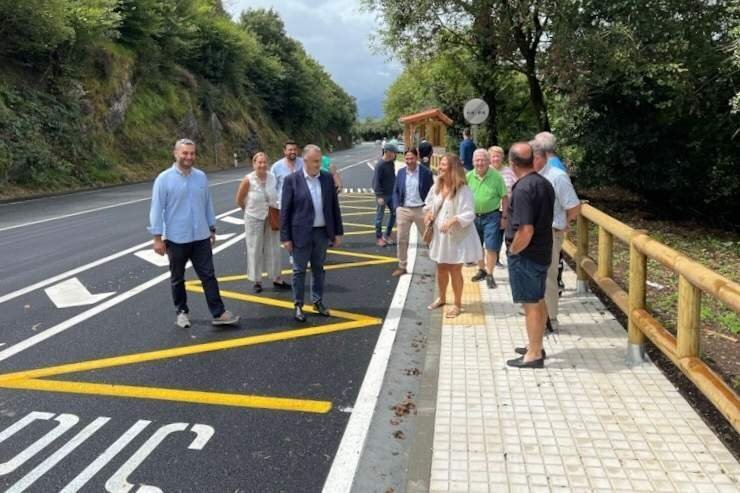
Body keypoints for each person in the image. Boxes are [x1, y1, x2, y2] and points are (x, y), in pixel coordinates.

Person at [148, 138, 240, 328]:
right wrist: (157, 238)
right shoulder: (163, 179)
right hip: (176, 238)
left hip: (200, 236)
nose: (189, 157)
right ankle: (182, 312)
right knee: (177, 278)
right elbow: (156, 209)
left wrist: (211, 227)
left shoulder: (201, 177)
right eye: (185, 153)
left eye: (192, 153)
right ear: (176, 154)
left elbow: (207, 203)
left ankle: (219, 313)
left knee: (208, 276)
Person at [504, 142, 555, 369]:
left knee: (531, 304)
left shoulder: (523, 189)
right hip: (542, 251)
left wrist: (513, 250)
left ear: (512, 164)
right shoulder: (544, 183)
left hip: (526, 255)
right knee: (539, 299)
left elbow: (525, 230)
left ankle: (534, 354)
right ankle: (536, 345)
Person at [280, 144, 344, 323]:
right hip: (300, 234)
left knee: (318, 269)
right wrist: (285, 237)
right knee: (299, 271)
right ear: (305, 161)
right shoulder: (292, 180)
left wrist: (338, 232)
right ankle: (298, 305)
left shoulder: (327, 178)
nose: (318, 164)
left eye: (319, 161)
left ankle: (317, 301)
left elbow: (334, 207)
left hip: (322, 233)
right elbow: (285, 211)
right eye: (315, 161)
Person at [424, 154, 483, 318]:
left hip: (458, 237)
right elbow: (429, 204)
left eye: (444, 164)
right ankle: (442, 298)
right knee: (441, 268)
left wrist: (453, 219)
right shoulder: (437, 185)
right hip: (440, 237)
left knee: (455, 270)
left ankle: (457, 304)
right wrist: (428, 214)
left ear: (453, 169)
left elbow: (469, 213)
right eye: (440, 164)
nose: (440, 167)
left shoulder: (463, 189)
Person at [531, 139, 581, 333]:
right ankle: (536, 314)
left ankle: (550, 319)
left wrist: (564, 222)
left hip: (550, 232)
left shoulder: (557, 176)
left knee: (548, 276)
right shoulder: (531, 174)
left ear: (539, 157)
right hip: (531, 231)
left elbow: (573, 206)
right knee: (533, 275)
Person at [235, 152, 291, 294]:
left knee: (274, 248)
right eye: (259, 162)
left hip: (271, 216)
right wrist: (249, 210)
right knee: (255, 249)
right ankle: (257, 281)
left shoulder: (272, 178)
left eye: (264, 162)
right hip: (254, 217)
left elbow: (275, 195)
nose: (262, 165)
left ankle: (277, 278)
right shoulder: (248, 180)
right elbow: (239, 200)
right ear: (254, 164)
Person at [467, 149, 508, 289]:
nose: (480, 163)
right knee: (477, 245)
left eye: (483, 160)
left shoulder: (496, 177)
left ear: (488, 161)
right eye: (477, 160)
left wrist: (504, 217)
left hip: (492, 216)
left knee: (491, 246)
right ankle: (481, 270)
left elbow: (505, 198)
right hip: (473, 217)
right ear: (473, 162)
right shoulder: (468, 176)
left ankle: (490, 274)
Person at [391, 148, 434, 277]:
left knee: (430, 238)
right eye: (407, 158)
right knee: (401, 239)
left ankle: (439, 264)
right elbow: (396, 191)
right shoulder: (401, 172)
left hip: (421, 210)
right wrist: (397, 207)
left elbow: (432, 192)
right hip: (404, 209)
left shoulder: (426, 173)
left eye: (412, 158)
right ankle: (402, 266)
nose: (409, 161)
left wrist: (430, 209)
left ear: (417, 157)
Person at [489, 145, 517, 266]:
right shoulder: (486, 171)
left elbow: (517, 187)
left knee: (510, 235)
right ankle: (495, 259)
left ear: (502, 157)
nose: (496, 159)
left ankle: (511, 257)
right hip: (493, 209)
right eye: (493, 156)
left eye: (498, 156)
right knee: (496, 235)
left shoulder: (509, 172)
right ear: (489, 158)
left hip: (509, 208)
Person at [373, 141, 398, 247]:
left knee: (394, 213)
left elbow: (392, 177)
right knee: (380, 217)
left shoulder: (391, 163)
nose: (395, 154)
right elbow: (376, 181)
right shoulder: (380, 165)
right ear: (386, 152)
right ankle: (379, 238)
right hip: (382, 195)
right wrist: (379, 196)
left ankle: (387, 235)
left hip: (391, 194)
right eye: (393, 152)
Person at [271, 141, 304, 209]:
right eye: (290, 150)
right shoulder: (276, 167)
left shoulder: (304, 163)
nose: (293, 152)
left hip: (302, 204)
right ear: (284, 151)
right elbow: (272, 187)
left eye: (295, 149)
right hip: (284, 205)